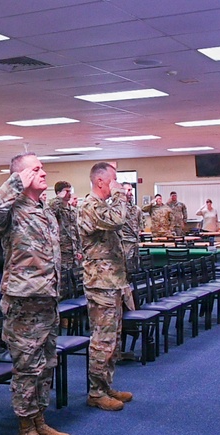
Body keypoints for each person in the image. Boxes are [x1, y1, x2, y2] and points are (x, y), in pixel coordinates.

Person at [0, 153, 68, 435]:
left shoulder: (43, 209)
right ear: (19, 176)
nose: (43, 172)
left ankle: (39, 419)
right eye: (36, 169)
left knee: (46, 364)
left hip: (47, 298)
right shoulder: (10, 210)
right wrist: (18, 180)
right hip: (23, 302)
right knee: (27, 368)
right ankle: (25, 428)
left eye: (42, 167)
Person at [78, 162, 134, 411]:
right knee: (102, 340)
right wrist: (121, 193)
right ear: (101, 181)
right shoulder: (89, 206)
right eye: (113, 180)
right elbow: (117, 220)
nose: (117, 184)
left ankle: (106, 385)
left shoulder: (103, 206)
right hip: (100, 284)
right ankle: (96, 392)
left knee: (114, 339)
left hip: (113, 281)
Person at [48, 180, 82, 273]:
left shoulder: (73, 210)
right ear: (59, 193)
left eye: (69, 191)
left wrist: (79, 250)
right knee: (63, 280)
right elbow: (50, 211)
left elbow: (77, 231)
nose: (69, 194)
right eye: (66, 191)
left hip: (74, 251)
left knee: (76, 279)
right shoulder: (55, 207)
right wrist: (59, 198)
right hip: (61, 251)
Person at [120, 184, 143, 273]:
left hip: (135, 242)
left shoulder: (136, 209)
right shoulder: (117, 208)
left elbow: (140, 224)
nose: (131, 193)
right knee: (125, 266)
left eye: (131, 190)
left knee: (135, 265)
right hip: (124, 242)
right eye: (128, 190)